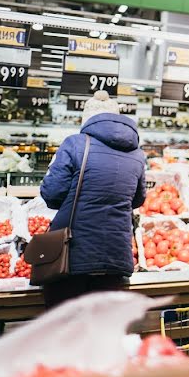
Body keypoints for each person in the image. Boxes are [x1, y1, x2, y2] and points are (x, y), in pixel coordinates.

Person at [39, 90, 147, 309]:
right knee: (103, 330)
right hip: (116, 258)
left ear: (86, 119)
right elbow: (137, 200)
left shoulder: (75, 144)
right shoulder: (137, 154)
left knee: (65, 328)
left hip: (73, 255)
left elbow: (52, 194)